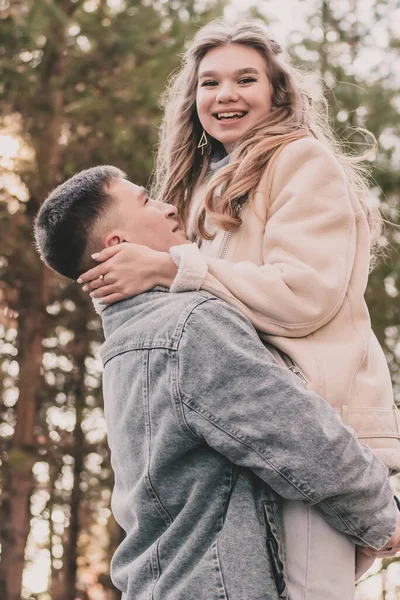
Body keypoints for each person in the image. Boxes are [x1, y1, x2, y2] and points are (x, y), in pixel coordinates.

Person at [76, 21, 400, 599]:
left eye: (245, 79)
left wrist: (171, 267)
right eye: (210, 82)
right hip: (254, 436)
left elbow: (304, 296)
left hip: (318, 425)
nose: (225, 94)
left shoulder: (302, 162)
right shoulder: (202, 186)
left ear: (278, 93)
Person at [34, 166, 400, 600]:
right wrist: (381, 516)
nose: (169, 207)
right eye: (146, 201)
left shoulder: (123, 345)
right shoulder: (190, 326)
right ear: (118, 246)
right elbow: (295, 433)